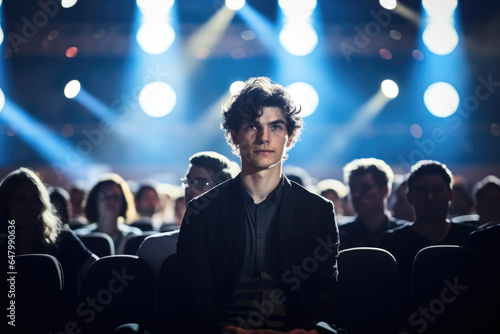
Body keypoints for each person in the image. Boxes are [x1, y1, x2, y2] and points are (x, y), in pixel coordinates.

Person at [176, 77, 342, 334]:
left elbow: (326, 288)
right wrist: (223, 327)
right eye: (253, 126)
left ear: (290, 137)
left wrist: (308, 330)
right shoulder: (202, 210)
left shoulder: (317, 210)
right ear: (234, 135)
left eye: (275, 126)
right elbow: (193, 288)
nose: (264, 137)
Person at [379, 160, 477, 314]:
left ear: (451, 194)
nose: (430, 197)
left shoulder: (472, 239)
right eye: (421, 190)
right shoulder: (391, 243)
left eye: (437, 189)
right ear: (409, 197)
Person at [137, 151, 240, 280]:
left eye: (200, 183)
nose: (189, 189)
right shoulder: (154, 247)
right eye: (188, 181)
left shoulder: (242, 246)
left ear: (223, 190)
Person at [0, 168, 98, 302]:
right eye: (21, 199)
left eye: (36, 198)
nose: (30, 206)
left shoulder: (62, 238)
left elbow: (98, 271)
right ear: (5, 204)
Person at [339, 158, 408, 250]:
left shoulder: (405, 234)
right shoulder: (338, 235)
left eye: (365, 187)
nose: (356, 194)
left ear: (385, 190)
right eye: (353, 189)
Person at [77, 173, 142, 254]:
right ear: (94, 201)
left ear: (123, 202)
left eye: (115, 196)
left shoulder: (133, 237)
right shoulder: (81, 238)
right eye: (104, 195)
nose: (110, 201)